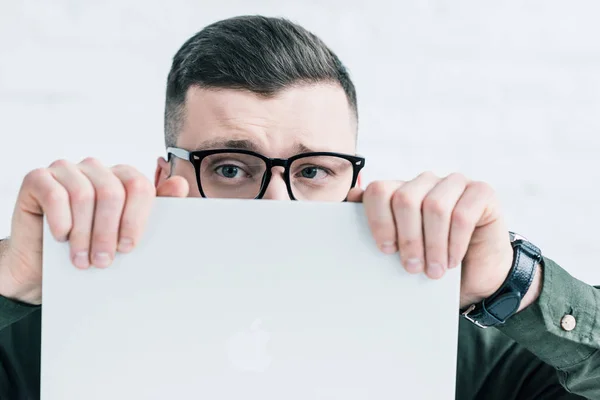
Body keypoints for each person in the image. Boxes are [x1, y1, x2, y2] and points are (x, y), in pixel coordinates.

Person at [0, 15, 597, 400]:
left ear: (354, 181)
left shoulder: (462, 354)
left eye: (313, 172)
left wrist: (518, 287)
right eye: (231, 168)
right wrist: (10, 281)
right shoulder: (45, 340)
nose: (278, 205)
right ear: (166, 178)